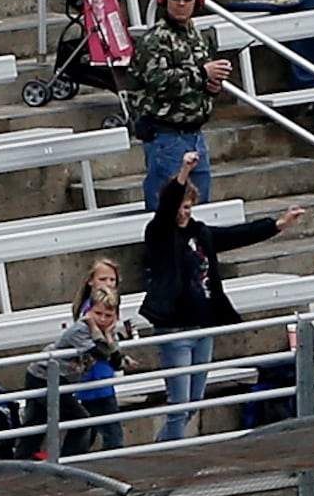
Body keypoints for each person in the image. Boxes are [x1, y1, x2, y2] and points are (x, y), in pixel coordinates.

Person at [136, 176, 289, 439]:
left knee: (194, 402)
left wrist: (275, 225)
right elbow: (165, 212)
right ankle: (170, 457)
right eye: (180, 207)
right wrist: (183, 172)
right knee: (179, 405)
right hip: (174, 330)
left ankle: (162, 447)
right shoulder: (159, 234)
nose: (184, 213)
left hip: (203, 325)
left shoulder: (201, 232)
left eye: (188, 207)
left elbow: (235, 235)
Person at [125, 0, 236, 203]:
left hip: (195, 135)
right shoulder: (154, 39)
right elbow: (160, 85)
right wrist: (204, 73)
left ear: (199, 1)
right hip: (166, 137)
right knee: (167, 211)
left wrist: (211, 87)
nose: (182, 3)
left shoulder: (196, 35)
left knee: (199, 210)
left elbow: (193, 83)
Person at [29, 263, 128, 454]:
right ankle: (70, 461)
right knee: (97, 429)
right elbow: (101, 352)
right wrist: (106, 336)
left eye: (112, 280)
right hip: (87, 380)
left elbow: (114, 360)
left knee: (97, 429)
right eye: (102, 279)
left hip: (101, 380)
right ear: (90, 281)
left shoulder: (107, 312)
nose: (107, 283)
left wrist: (110, 339)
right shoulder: (86, 319)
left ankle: (72, 461)